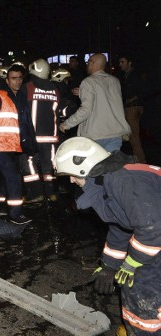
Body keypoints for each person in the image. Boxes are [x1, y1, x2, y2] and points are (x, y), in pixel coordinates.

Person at [55, 137, 161, 335]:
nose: (71, 180)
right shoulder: (112, 179)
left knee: (141, 288)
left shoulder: (121, 181)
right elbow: (122, 225)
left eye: (72, 175)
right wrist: (110, 265)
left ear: (83, 167)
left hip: (157, 234)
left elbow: (153, 229)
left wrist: (132, 262)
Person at [0, 64, 37, 224]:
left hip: (13, 146)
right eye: (13, 78)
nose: (17, 81)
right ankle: (15, 214)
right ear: (7, 80)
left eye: (20, 78)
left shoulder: (19, 98)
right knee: (14, 178)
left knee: (2, 177)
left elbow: (23, 123)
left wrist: (28, 143)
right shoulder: (0, 96)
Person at [60, 53, 130, 153]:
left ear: (93, 63)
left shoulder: (88, 82)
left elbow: (86, 110)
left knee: (95, 167)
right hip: (115, 133)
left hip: (96, 135)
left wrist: (66, 124)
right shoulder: (115, 81)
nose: (87, 64)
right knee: (111, 166)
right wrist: (83, 92)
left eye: (88, 62)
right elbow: (106, 99)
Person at [20, 59, 61, 202]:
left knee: (28, 164)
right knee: (49, 165)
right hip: (51, 137)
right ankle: (52, 193)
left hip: (33, 136)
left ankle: (35, 193)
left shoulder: (27, 88)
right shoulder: (55, 90)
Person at [119, 56, 148, 163]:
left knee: (134, 136)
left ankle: (141, 161)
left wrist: (130, 100)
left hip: (133, 108)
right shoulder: (128, 75)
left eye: (122, 62)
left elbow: (142, 91)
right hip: (135, 107)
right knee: (134, 135)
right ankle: (139, 158)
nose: (120, 64)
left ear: (129, 63)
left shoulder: (133, 75)